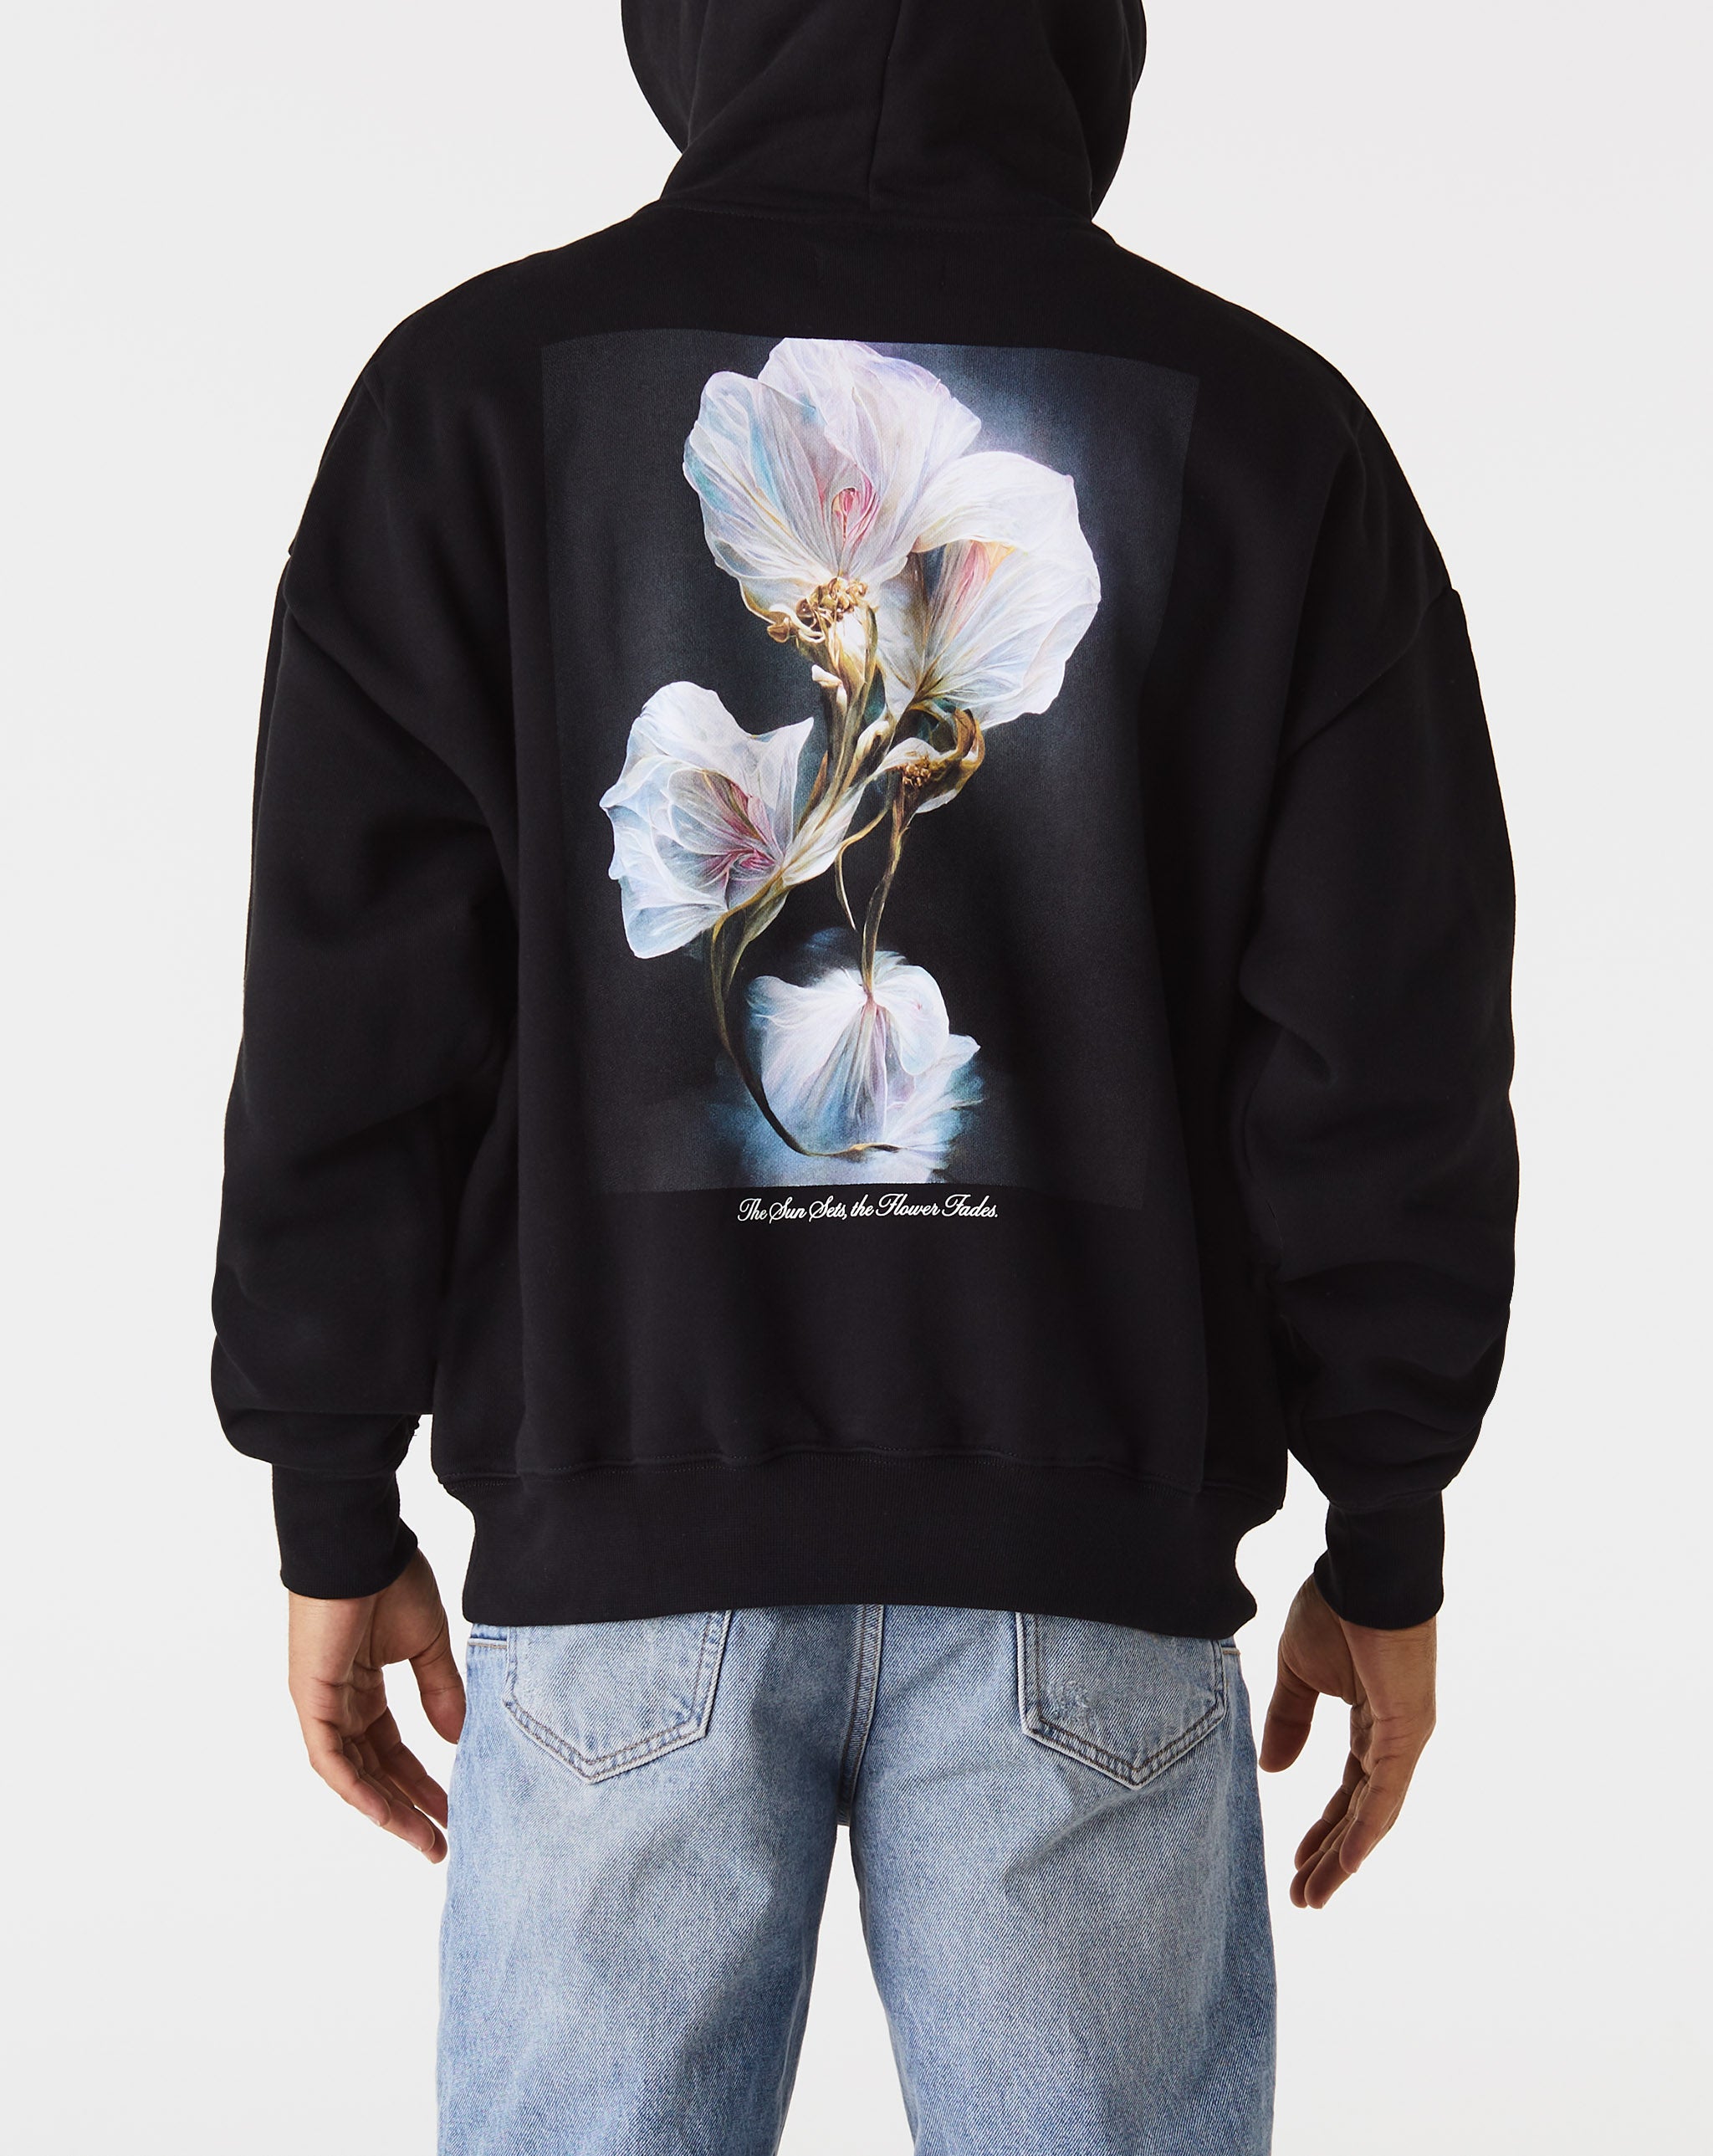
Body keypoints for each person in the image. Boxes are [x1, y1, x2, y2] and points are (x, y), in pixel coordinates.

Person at [212, 3, 1516, 2149]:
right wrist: (1386, 1521)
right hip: (1080, 1554)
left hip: (623, 1541)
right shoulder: (1272, 434)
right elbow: (1387, 1042)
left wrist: (328, 1484)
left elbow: (355, 1010)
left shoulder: (469, 396)